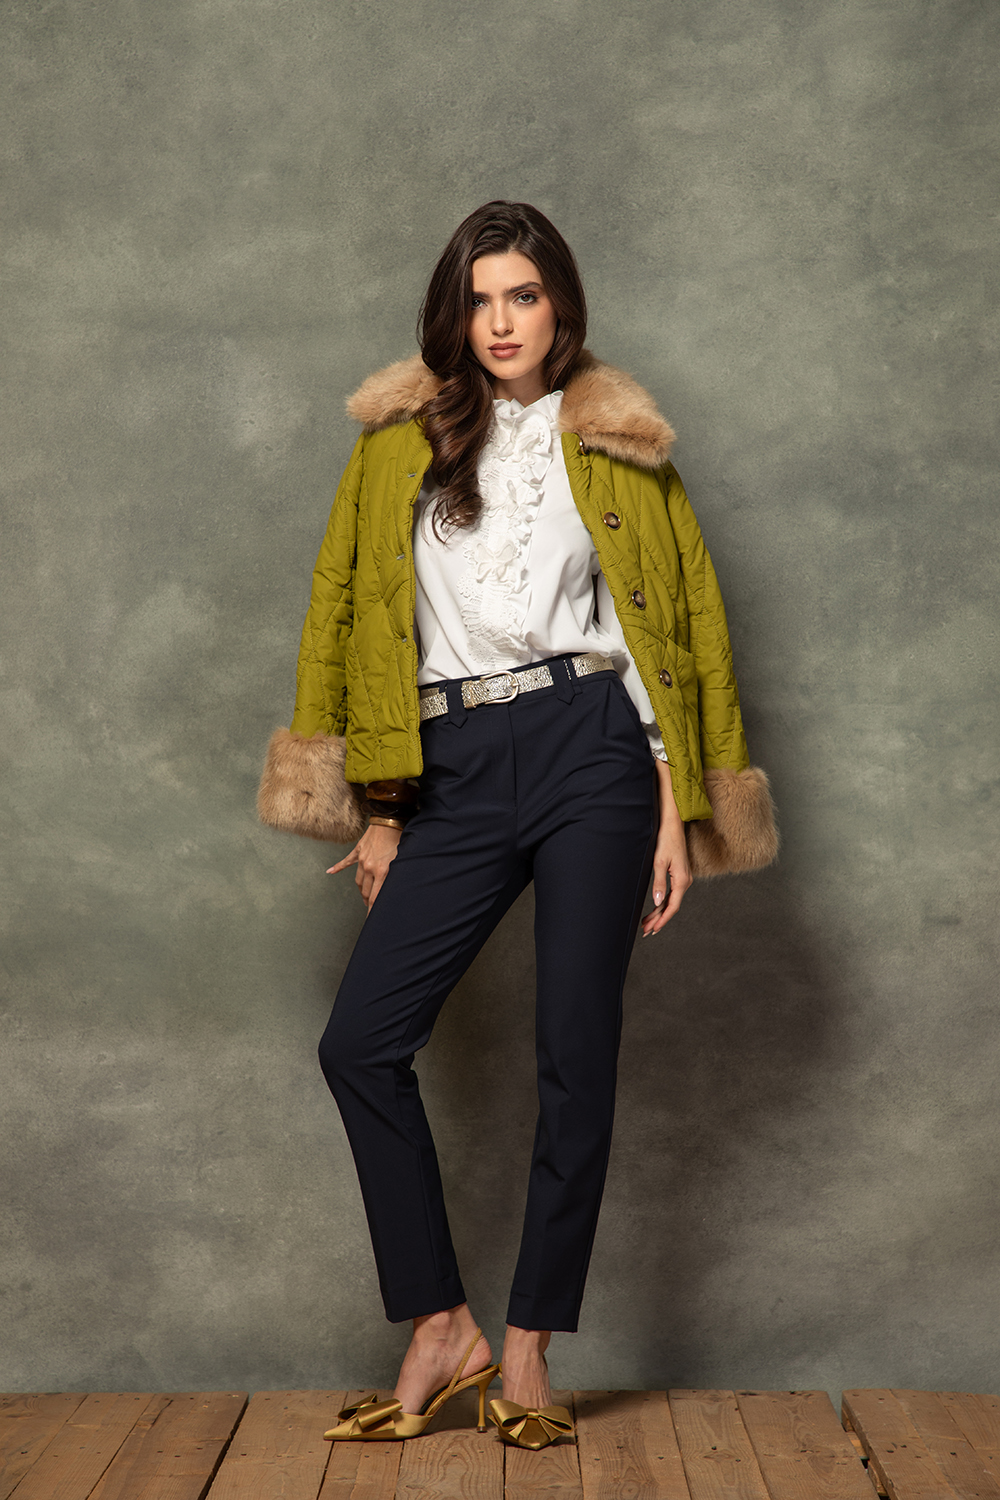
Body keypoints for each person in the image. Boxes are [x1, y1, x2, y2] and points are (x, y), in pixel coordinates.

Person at [257, 200, 778, 1449]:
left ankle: (532, 1348)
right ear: (455, 313)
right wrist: (382, 805)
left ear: (560, 309)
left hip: (592, 749)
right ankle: (442, 1323)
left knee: (573, 1053)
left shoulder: (623, 448)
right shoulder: (394, 445)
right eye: (480, 299)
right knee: (360, 1043)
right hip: (449, 760)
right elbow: (346, 614)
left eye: (524, 297)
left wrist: (676, 803)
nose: (501, 322)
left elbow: (678, 624)